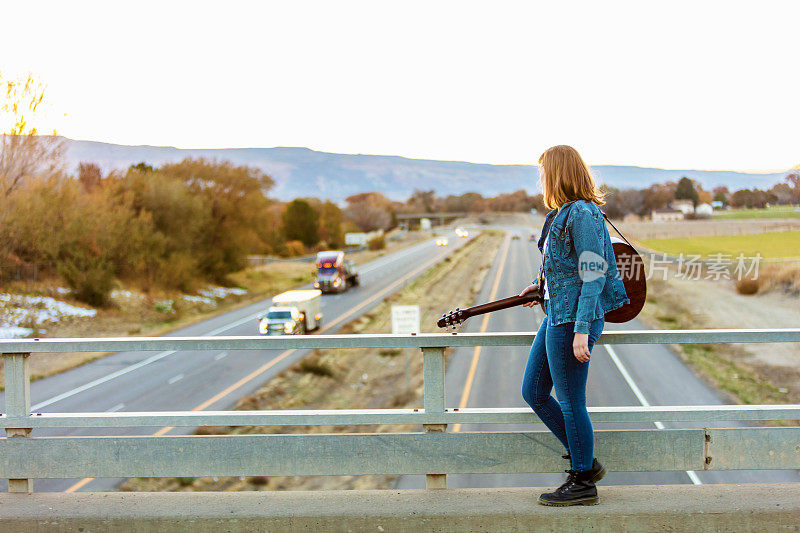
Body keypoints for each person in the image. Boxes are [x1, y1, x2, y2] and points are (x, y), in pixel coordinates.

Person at [518, 145, 629, 506]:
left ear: (558, 173)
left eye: (544, 172)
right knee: (533, 392)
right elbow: (564, 268)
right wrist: (541, 288)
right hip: (557, 312)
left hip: (573, 319)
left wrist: (582, 328)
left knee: (569, 401)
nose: (541, 180)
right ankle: (586, 461)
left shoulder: (582, 213)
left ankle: (583, 481)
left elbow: (593, 272)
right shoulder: (562, 213)